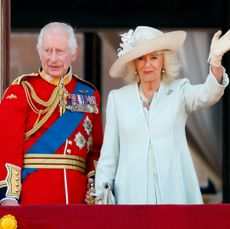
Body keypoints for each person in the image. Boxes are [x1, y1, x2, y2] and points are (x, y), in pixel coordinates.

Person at [94, 26, 230, 204]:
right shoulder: (118, 99)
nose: (147, 64)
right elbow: (109, 154)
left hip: (174, 194)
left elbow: (208, 94)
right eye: (141, 58)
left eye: (154, 58)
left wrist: (216, 62)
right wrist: (101, 195)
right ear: (134, 64)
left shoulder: (179, 91)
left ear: (164, 62)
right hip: (131, 196)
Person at [0, 22, 103, 206]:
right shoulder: (22, 90)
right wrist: (9, 196)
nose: (52, 58)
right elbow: (7, 148)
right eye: (47, 50)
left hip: (77, 199)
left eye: (59, 51)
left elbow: (95, 150)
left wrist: (93, 183)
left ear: (74, 53)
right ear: (39, 52)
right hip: (33, 197)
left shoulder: (89, 94)